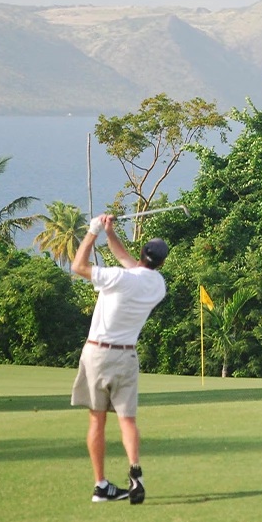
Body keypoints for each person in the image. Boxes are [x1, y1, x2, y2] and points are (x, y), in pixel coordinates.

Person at [70, 214, 168, 504]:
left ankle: (101, 485)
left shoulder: (117, 277)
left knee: (97, 421)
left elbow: (78, 266)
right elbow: (128, 260)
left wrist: (93, 232)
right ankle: (135, 470)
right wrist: (110, 233)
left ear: (142, 255)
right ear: (160, 263)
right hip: (127, 356)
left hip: (98, 353)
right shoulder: (157, 285)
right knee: (127, 420)